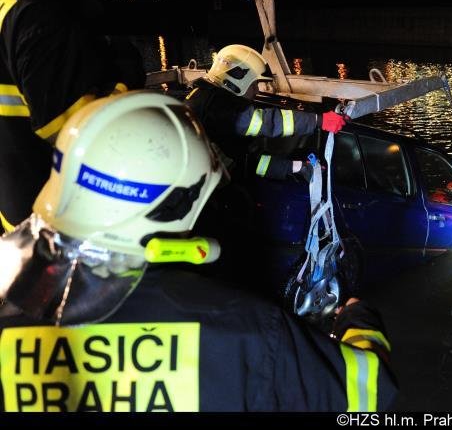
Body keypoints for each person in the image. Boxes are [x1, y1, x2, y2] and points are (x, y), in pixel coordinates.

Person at [0, 91, 397, 412]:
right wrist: (359, 320)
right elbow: (369, 393)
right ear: (177, 205)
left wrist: (294, 170)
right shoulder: (250, 328)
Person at [0, 0, 145, 233]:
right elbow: (81, 138)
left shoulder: (7, 4)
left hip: (10, 210)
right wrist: (126, 78)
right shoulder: (37, 17)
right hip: (49, 223)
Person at [186, 44, 348, 181]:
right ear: (236, 81)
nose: (257, 91)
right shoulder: (219, 108)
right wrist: (319, 121)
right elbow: (269, 122)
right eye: (254, 85)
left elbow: (251, 161)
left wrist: (298, 167)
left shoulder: (205, 99)